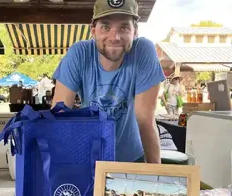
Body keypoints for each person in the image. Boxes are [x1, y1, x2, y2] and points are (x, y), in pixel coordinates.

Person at [52, 0, 165, 163]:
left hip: (132, 158)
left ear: (135, 32)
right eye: (106, 27)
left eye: (124, 27)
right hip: (90, 158)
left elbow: (144, 118)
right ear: (93, 30)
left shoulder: (143, 51)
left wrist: (156, 175)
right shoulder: (79, 53)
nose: (115, 37)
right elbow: (59, 115)